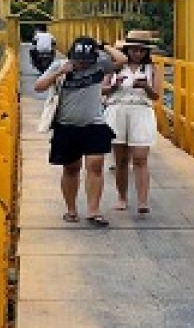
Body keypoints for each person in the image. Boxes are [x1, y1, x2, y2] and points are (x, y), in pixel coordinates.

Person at [34, 35, 126, 227]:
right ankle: (71, 209)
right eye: (78, 60)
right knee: (71, 168)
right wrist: (59, 72)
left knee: (95, 165)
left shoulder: (99, 65)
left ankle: (93, 211)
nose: (82, 65)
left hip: (94, 124)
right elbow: (39, 87)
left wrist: (104, 45)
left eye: (86, 61)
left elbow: (122, 60)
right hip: (67, 126)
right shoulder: (59, 65)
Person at [103, 30, 161, 215]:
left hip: (141, 111)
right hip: (117, 109)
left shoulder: (152, 69)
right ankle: (122, 197)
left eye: (141, 51)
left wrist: (146, 87)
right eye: (134, 50)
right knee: (121, 160)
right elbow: (103, 90)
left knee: (140, 158)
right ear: (127, 50)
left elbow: (157, 95)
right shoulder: (116, 66)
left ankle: (143, 201)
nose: (137, 53)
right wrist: (114, 85)